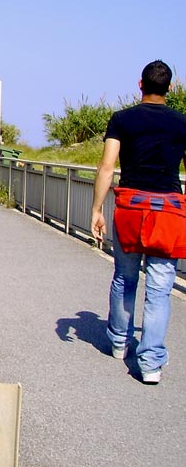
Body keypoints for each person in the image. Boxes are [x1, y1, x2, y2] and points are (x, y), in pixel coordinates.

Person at [91, 60, 186, 384]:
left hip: (131, 208)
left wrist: (97, 209)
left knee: (124, 278)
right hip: (168, 212)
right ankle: (150, 363)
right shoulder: (182, 123)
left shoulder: (122, 120)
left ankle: (119, 342)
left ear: (140, 84)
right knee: (160, 289)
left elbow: (106, 167)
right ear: (169, 88)